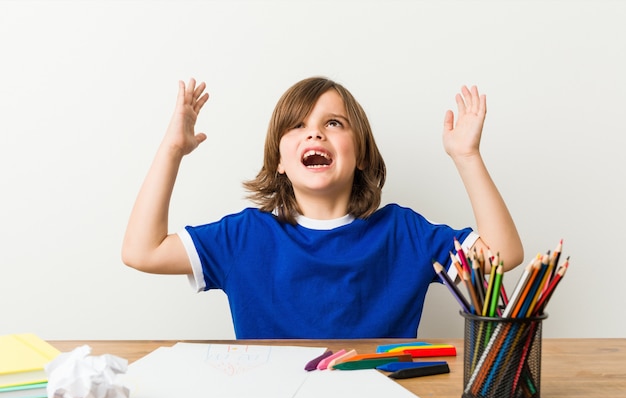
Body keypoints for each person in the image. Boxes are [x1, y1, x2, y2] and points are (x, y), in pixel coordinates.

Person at [122, 77, 523, 339]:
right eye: (297, 125)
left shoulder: (404, 233)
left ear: (362, 154)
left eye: (334, 123)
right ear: (278, 161)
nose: (314, 130)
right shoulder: (244, 237)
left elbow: (503, 257)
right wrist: (172, 149)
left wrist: (467, 156)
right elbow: (142, 251)